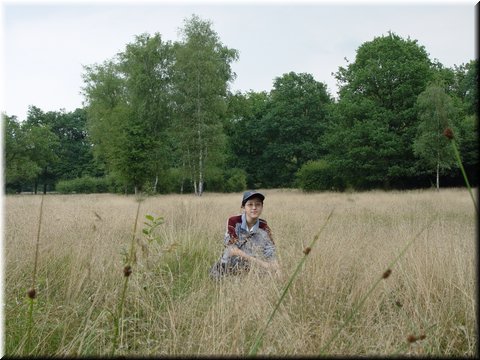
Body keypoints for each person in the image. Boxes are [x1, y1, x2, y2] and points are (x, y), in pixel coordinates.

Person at [209, 190, 279, 280]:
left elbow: (271, 253)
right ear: (243, 207)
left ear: (262, 207)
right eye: (250, 204)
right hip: (228, 267)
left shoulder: (264, 227)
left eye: (258, 204)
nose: (254, 208)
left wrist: (277, 269)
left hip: (250, 270)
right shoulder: (233, 221)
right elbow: (232, 249)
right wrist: (262, 263)